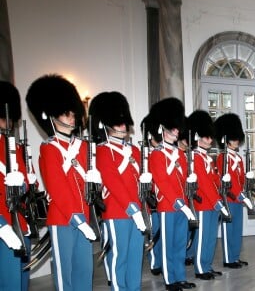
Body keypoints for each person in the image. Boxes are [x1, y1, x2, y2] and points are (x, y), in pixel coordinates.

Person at [26, 74, 99, 291]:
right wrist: (78, 219)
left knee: (85, 270)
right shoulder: (49, 148)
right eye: (66, 113)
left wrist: (96, 180)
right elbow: (57, 189)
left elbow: (89, 181)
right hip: (63, 219)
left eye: (72, 112)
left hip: (84, 214)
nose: (72, 117)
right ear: (52, 116)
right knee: (64, 272)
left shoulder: (84, 146)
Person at [89, 91, 147, 291]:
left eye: (124, 122)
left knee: (135, 256)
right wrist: (133, 209)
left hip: (137, 210)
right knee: (118, 256)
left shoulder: (135, 150)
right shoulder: (103, 151)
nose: (123, 125)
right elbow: (113, 182)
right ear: (107, 123)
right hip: (117, 211)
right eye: (118, 122)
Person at [148, 97, 196, 291]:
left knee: (180, 244)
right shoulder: (157, 154)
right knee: (167, 245)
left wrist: (190, 185)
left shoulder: (181, 154)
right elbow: (162, 182)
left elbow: (182, 179)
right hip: (168, 206)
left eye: (177, 128)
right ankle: (170, 279)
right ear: (163, 128)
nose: (177, 131)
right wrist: (179, 203)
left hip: (182, 205)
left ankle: (180, 277)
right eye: (173, 128)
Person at [187, 110, 229, 280]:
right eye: (206, 137)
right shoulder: (194, 157)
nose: (210, 140)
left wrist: (222, 182)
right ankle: (199, 268)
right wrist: (217, 201)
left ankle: (207, 265)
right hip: (203, 204)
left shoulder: (207, 158)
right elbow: (203, 183)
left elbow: (213, 180)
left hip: (212, 203)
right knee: (202, 238)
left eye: (211, 137)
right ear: (197, 136)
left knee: (211, 237)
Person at [0, 81, 31, 291]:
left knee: (21, 282)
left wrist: (22, 184)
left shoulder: (13, 145)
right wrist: (2, 226)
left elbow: (25, 182)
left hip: (19, 220)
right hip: (3, 224)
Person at [214, 113, 254, 269]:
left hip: (238, 199)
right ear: (226, 139)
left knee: (237, 229)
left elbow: (240, 179)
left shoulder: (238, 157)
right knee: (228, 229)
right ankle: (228, 259)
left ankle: (235, 257)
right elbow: (229, 181)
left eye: (237, 138)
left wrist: (248, 181)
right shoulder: (223, 158)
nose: (236, 141)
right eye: (233, 138)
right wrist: (241, 195)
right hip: (229, 199)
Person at [140, 114, 162, 276]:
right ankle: (155, 262)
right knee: (153, 233)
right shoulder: (145, 153)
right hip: (150, 198)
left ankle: (161, 260)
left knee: (162, 233)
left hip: (163, 197)